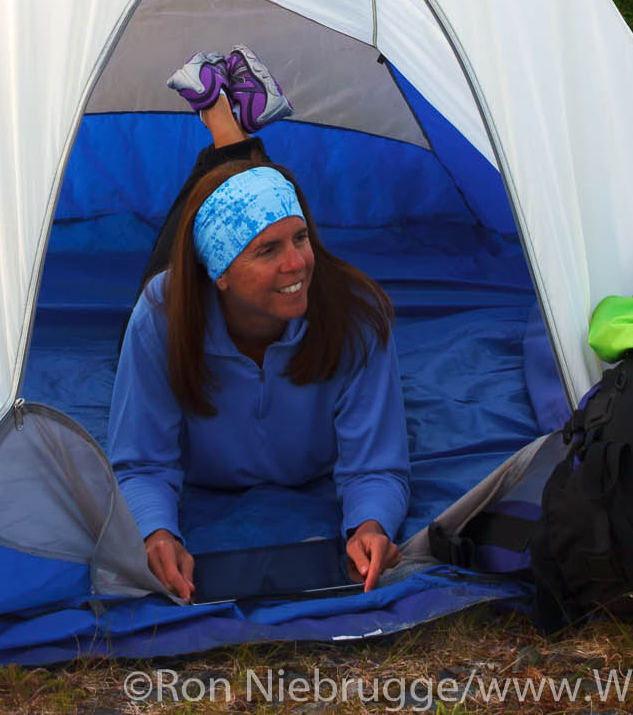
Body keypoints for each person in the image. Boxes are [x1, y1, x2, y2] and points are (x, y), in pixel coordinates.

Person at [108, 51, 410, 601]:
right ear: (220, 275)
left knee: (240, 208)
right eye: (268, 250)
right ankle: (228, 133)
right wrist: (154, 532)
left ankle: (230, 133)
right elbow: (142, 459)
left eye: (301, 239)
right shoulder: (162, 315)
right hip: (185, 294)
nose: (297, 263)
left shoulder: (357, 317)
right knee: (168, 272)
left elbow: (378, 464)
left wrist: (371, 527)